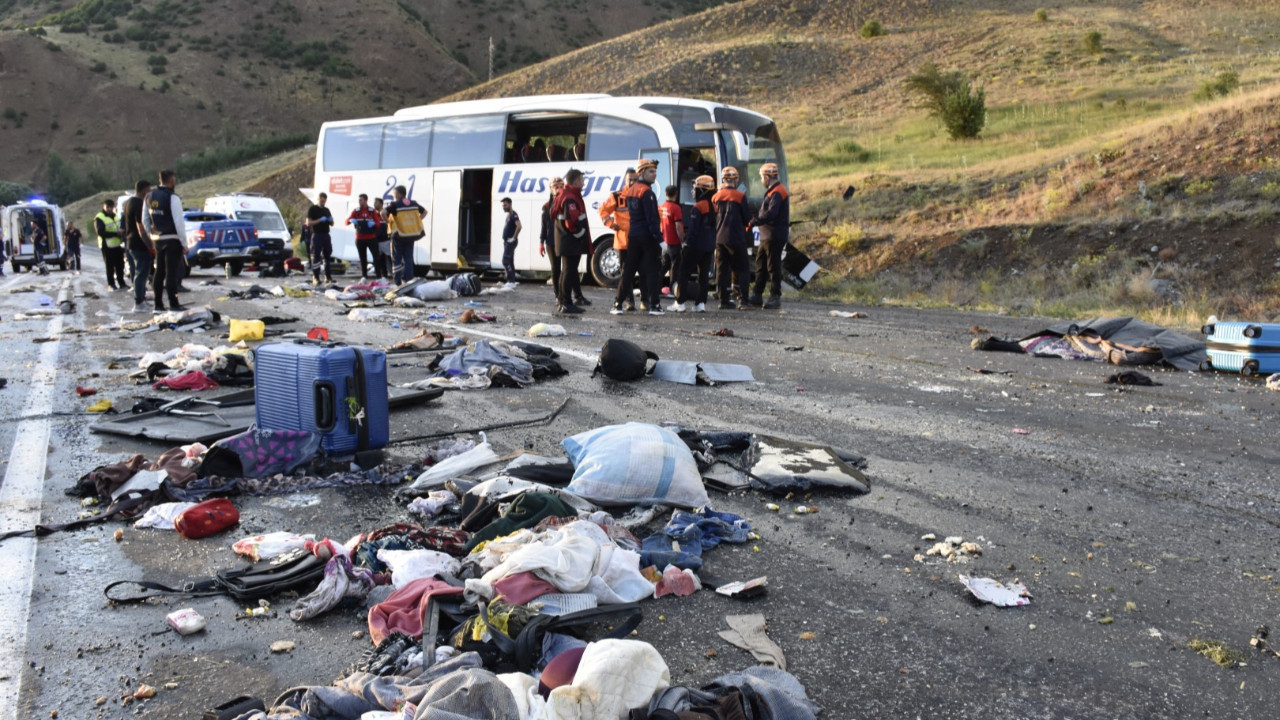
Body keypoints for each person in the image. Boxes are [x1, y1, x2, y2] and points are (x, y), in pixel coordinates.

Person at [613, 158, 664, 315]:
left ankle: (617, 304)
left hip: (633, 236)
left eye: (655, 171)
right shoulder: (647, 192)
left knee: (628, 271)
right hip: (647, 237)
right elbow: (652, 219)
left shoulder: (630, 191)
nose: (654, 174)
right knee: (652, 271)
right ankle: (654, 305)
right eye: (651, 171)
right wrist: (660, 240)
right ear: (641, 172)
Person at [142, 169, 187, 313]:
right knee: (171, 273)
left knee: (159, 271)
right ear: (171, 180)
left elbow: (145, 219)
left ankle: (158, 305)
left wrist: (151, 234)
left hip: (158, 240)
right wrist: (184, 243)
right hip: (172, 239)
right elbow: (179, 222)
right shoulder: (173, 197)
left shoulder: (148, 196)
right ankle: (174, 304)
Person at [748, 163, 789, 309]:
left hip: (774, 235)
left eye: (761, 177)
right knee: (761, 265)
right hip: (767, 235)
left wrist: (755, 221)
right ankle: (757, 295)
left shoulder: (778, 192)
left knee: (773, 266)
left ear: (767, 176)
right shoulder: (773, 191)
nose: (761, 180)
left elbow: (771, 213)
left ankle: (775, 296)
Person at [674, 175, 716, 313]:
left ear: (702, 190)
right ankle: (700, 303)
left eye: (695, 189)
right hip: (709, 246)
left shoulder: (698, 207)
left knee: (683, 272)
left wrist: (687, 244)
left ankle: (680, 302)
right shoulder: (714, 206)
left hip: (695, 246)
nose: (693, 191)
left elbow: (693, 229)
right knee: (703, 276)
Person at [712, 166, 752, 310]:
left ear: (723, 179)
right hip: (736, 237)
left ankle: (723, 300)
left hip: (719, 238)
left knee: (722, 269)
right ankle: (744, 301)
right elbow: (747, 218)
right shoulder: (740, 196)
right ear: (736, 179)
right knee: (743, 268)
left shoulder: (715, 197)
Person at [552, 168, 590, 314]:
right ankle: (566, 303)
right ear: (576, 181)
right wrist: (580, 233)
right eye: (582, 180)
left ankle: (563, 301)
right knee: (569, 271)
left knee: (566, 271)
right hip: (570, 241)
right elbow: (571, 222)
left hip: (565, 240)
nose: (584, 183)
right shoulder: (570, 197)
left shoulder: (565, 194)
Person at [600, 168, 637, 311]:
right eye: (630, 179)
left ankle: (645, 301)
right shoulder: (617, 196)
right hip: (623, 241)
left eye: (635, 179)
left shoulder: (642, 194)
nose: (632, 182)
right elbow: (603, 210)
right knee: (626, 273)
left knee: (644, 271)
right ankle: (629, 301)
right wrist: (610, 224)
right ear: (625, 180)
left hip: (638, 240)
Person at [383, 185, 426, 285]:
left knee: (396, 259)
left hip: (398, 236)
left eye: (394, 194)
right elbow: (425, 212)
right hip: (410, 235)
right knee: (408, 258)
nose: (393, 196)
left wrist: (387, 221)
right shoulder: (413, 203)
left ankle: (397, 281)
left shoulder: (395, 205)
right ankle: (409, 280)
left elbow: (383, 212)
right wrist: (417, 220)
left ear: (398, 194)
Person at [123, 180, 154, 312]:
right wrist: (149, 244)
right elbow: (141, 226)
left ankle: (141, 299)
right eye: (149, 190)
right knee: (141, 273)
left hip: (130, 241)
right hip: (139, 243)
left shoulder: (128, 203)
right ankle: (139, 302)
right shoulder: (139, 203)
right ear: (143, 191)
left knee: (140, 271)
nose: (150, 193)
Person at [658, 184, 685, 308]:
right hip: (674, 242)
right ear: (676, 194)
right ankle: (672, 289)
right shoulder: (676, 208)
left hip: (664, 242)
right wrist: (682, 239)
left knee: (664, 266)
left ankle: (656, 288)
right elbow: (678, 226)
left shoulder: (662, 206)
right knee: (675, 267)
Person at [346, 193, 383, 280]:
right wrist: (351, 220)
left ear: (366, 200)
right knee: (363, 258)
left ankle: (379, 277)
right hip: (360, 238)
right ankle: (364, 277)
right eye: (359, 200)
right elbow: (346, 222)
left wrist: (373, 223)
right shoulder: (356, 211)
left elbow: (378, 224)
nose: (359, 202)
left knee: (376, 257)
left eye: (361, 200)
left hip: (371, 238)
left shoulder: (371, 211)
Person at [540, 177, 564, 304]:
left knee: (567, 269)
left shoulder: (566, 202)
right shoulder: (547, 206)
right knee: (555, 269)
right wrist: (541, 242)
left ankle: (568, 294)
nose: (559, 189)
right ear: (551, 189)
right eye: (556, 187)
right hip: (551, 241)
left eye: (561, 186)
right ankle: (558, 295)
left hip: (564, 240)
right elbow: (544, 226)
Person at [94, 199, 127, 289]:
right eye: (107, 207)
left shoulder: (116, 216)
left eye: (111, 207)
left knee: (120, 265)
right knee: (110, 266)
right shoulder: (100, 217)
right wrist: (115, 234)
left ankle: (122, 283)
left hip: (117, 244)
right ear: (104, 207)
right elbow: (100, 232)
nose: (109, 209)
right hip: (107, 245)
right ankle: (111, 284)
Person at [305, 192, 335, 285]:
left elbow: (332, 224)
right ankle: (316, 277)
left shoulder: (326, 210)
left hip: (326, 235)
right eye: (321, 199)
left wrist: (331, 220)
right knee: (316, 256)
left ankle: (328, 277)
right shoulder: (313, 209)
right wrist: (319, 220)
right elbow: (308, 223)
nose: (323, 201)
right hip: (317, 234)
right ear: (318, 199)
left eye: (324, 199)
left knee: (327, 256)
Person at [498, 196, 521, 289]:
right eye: (503, 206)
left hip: (510, 241)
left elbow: (519, 226)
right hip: (507, 241)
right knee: (510, 261)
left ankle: (511, 281)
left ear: (510, 204)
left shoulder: (513, 214)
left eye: (505, 205)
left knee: (505, 260)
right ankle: (512, 281)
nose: (504, 207)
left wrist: (514, 238)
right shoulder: (509, 215)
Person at [372, 197, 393, 279]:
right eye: (374, 202)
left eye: (376, 202)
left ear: (381, 204)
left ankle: (395, 274)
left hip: (385, 240)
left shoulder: (386, 213)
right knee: (380, 259)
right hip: (376, 240)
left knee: (390, 258)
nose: (374, 204)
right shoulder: (373, 214)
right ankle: (384, 275)